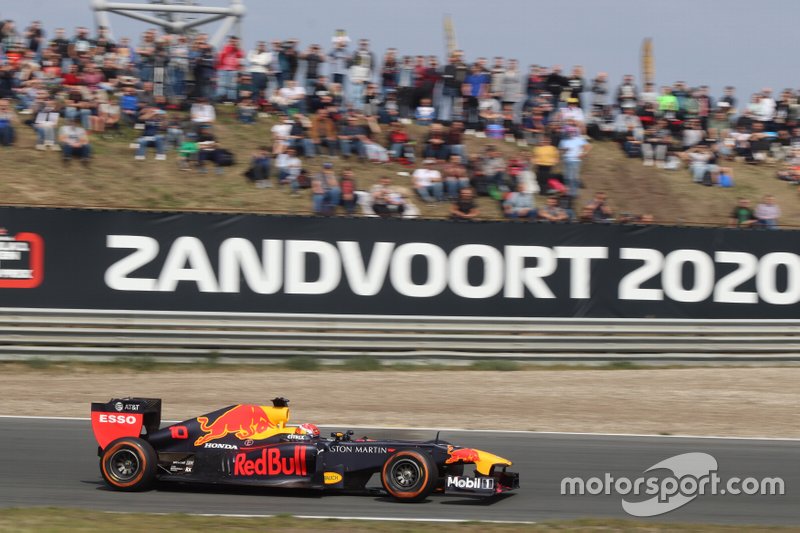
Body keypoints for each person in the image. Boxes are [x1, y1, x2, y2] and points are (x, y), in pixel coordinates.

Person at [558, 127, 590, 196]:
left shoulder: (579, 139)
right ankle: (567, 191)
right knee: (566, 177)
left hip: (575, 160)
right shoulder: (563, 140)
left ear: (575, 132)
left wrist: (584, 153)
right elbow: (560, 151)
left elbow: (588, 146)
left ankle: (574, 193)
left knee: (573, 177)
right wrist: (563, 151)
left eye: (572, 132)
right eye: (569, 132)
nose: (570, 133)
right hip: (566, 160)